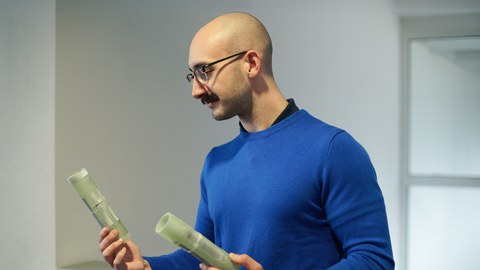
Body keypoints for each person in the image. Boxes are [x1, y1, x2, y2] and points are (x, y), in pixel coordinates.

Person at [99, 12, 395, 270]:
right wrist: (147, 266)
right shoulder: (216, 162)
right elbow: (201, 257)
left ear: (251, 63)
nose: (196, 91)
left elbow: (374, 260)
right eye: (193, 75)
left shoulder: (334, 150)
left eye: (205, 71)